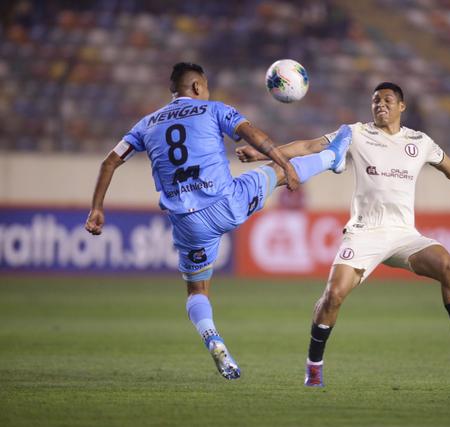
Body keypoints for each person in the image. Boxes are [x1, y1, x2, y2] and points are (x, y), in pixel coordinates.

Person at [84, 62, 351, 380]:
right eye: (206, 87)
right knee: (275, 173)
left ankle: (214, 340)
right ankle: (333, 158)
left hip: (186, 222)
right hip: (226, 204)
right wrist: (287, 165)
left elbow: (109, 161)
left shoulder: (145, 125)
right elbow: (258, 138)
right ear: (197, 87)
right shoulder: (213, 109)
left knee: (197, 291)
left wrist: (97, 209)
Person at [236, 82, 450, 387]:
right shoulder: (356, 133)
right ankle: (314, 364)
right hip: (365, 233)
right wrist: (263, 154)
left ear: (401, 107)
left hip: (404, 235)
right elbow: (310, 146)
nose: (380, 105)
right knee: (333, 296)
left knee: (448, 266)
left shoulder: (420, 141)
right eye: (375, 101)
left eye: (387, 100)